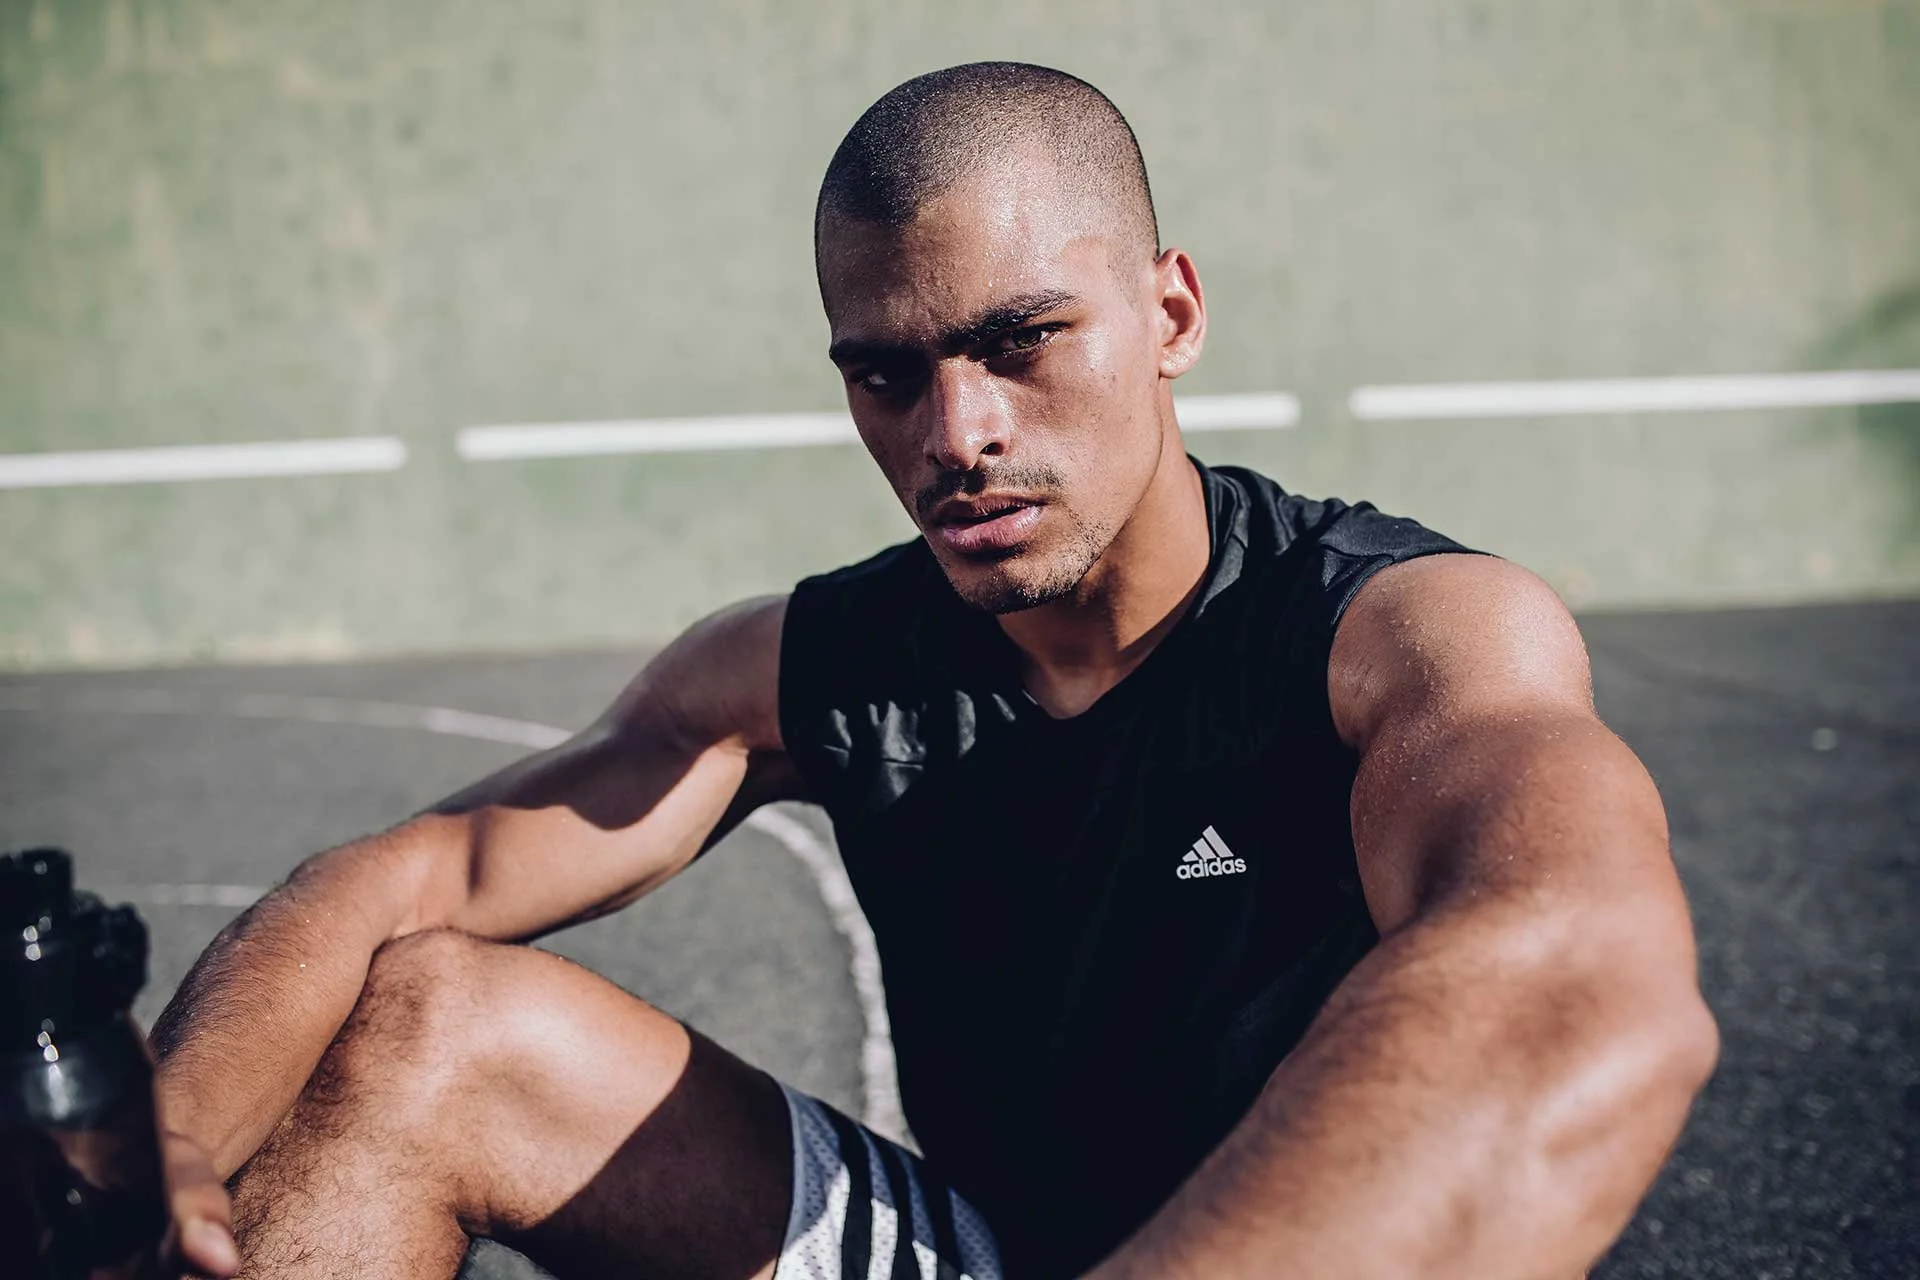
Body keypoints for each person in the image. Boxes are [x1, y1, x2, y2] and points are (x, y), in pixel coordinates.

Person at [150, 62, 1718, 1280]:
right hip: (985, 1252)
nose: (955, 434)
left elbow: (1572, 988)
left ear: (1169, 313)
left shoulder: (1396, 631)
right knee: (422, 1024)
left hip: (1333, 1240)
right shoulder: (818, 664)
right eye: (889, 373)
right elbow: (400, 881)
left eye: (1020, 341)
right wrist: (160, 1147)